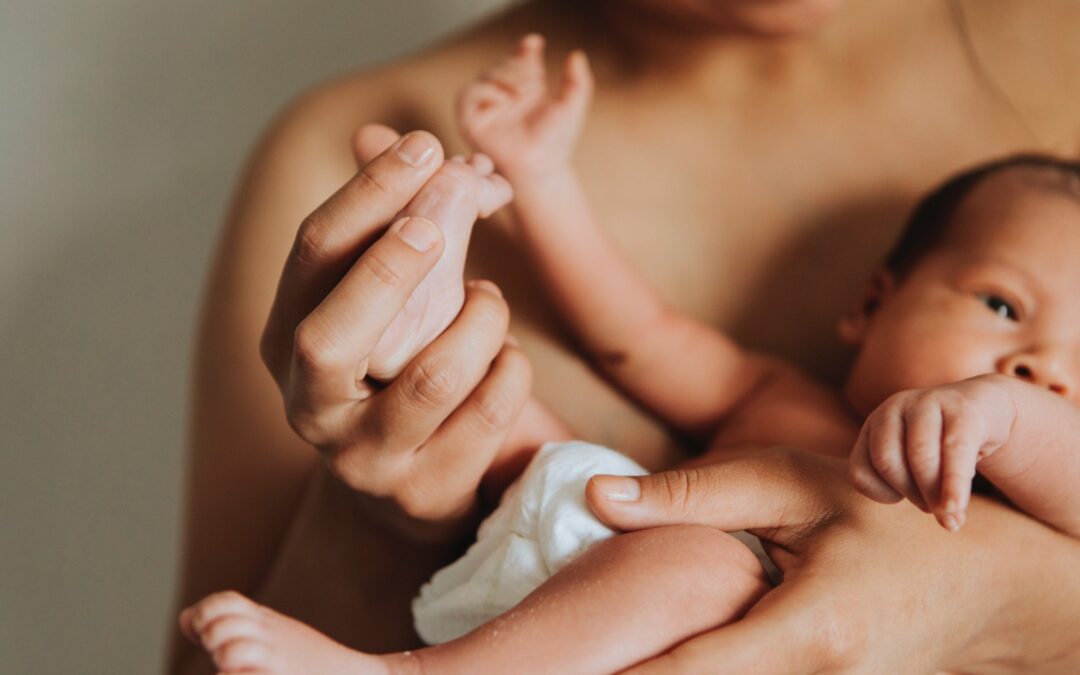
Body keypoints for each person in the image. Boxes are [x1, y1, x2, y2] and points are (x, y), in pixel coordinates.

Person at [171, 2, 1080, 673]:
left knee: (691, 558)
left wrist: (1007, 467)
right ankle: (432, 277)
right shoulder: (779, 401)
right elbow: (638, 334)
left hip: (678, 570)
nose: (1043, 364)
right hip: (579, 552)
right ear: (872, 303)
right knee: (505, 416)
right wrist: (542, 183)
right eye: (1001, 307)